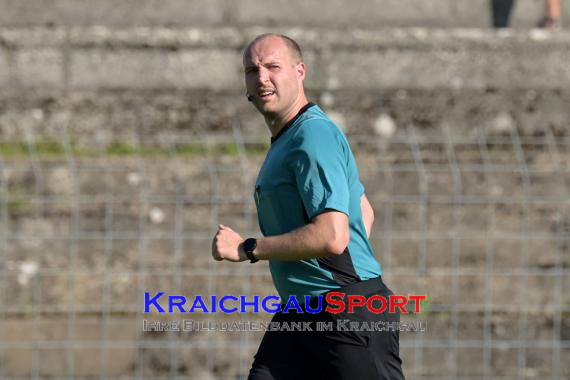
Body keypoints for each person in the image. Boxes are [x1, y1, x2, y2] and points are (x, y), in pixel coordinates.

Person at [211, 33, 405, 380]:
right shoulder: (291, 136)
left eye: (273, 67)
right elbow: (364, 210)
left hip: (346, 312)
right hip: (302, 312)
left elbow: (332, 237)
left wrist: (248, 248)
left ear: (300, 71)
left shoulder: (312, 135)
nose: (262, 78)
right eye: (252, 71)